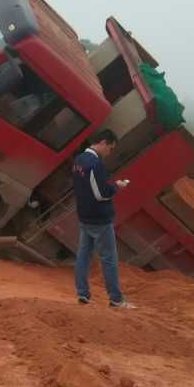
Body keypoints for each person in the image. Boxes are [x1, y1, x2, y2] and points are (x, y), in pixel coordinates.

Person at [71, 129, 134, 309]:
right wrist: (117, 187)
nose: (109, 152)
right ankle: (116, 299)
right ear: (103, 142)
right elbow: (101, 194)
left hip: (84, 216)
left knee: (83, 256)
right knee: (109, 259)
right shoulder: (95, 163)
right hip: (99, 219)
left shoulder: (78, 160)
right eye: (110, 148)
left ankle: (82, 294)